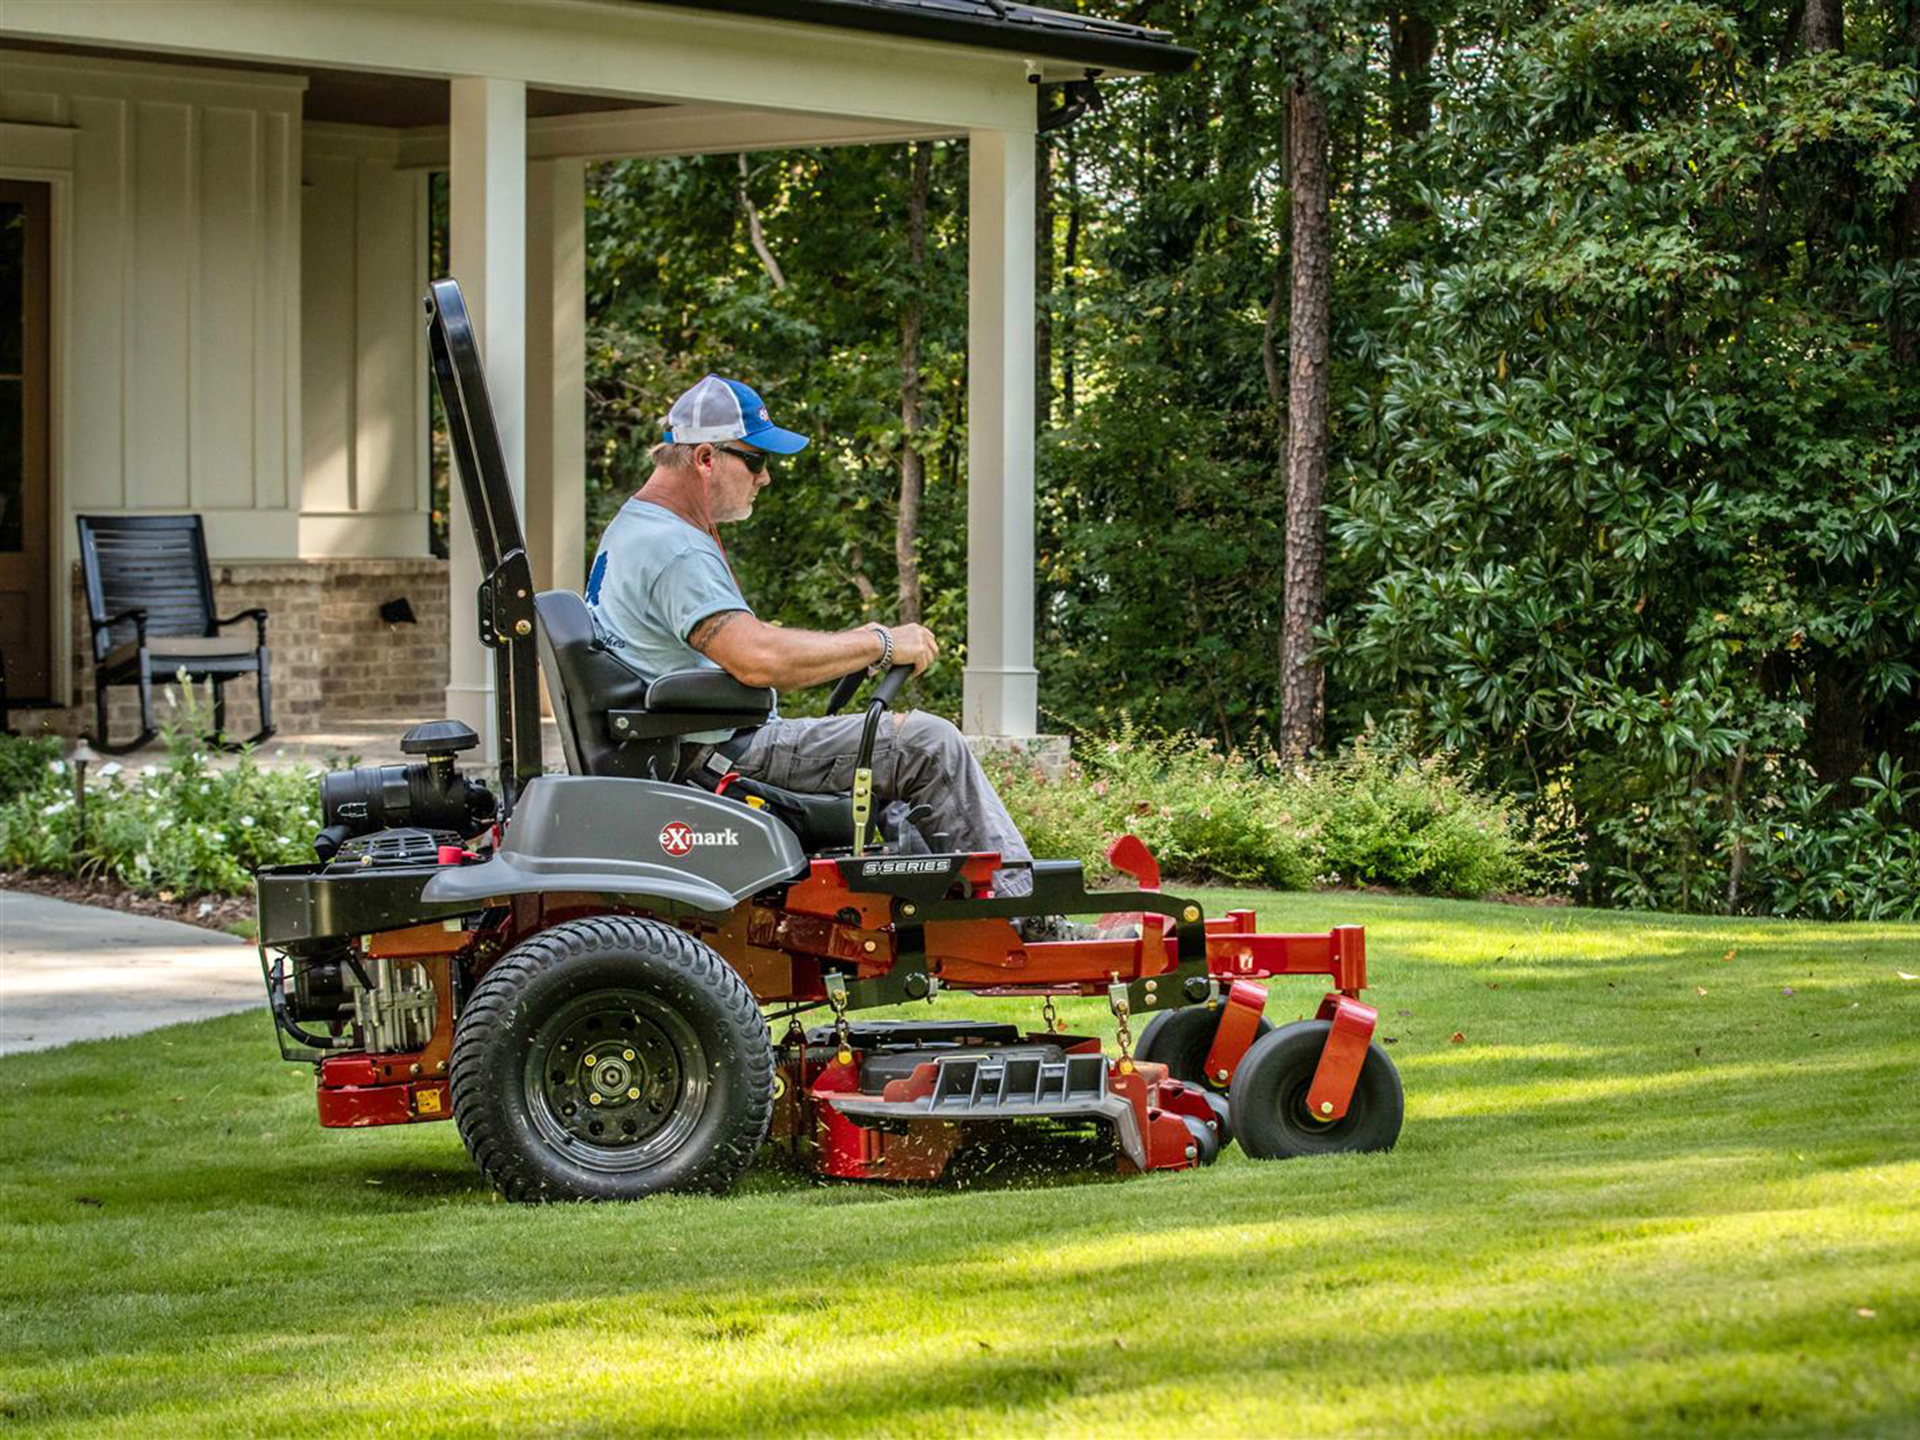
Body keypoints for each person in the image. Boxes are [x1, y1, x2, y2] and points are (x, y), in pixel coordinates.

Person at [585, 374, 1036, 897]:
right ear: (706, 458)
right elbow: (758, 659)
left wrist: (849, 653)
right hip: (723, 752)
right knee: (927, 744)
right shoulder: (674, 547)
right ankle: (1024, 914)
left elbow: (743, 644)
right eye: (755, 460)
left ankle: (943, 916)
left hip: (692, 742)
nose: (766, 477)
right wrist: (881, 641)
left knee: (899, 761)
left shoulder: (634, 527)